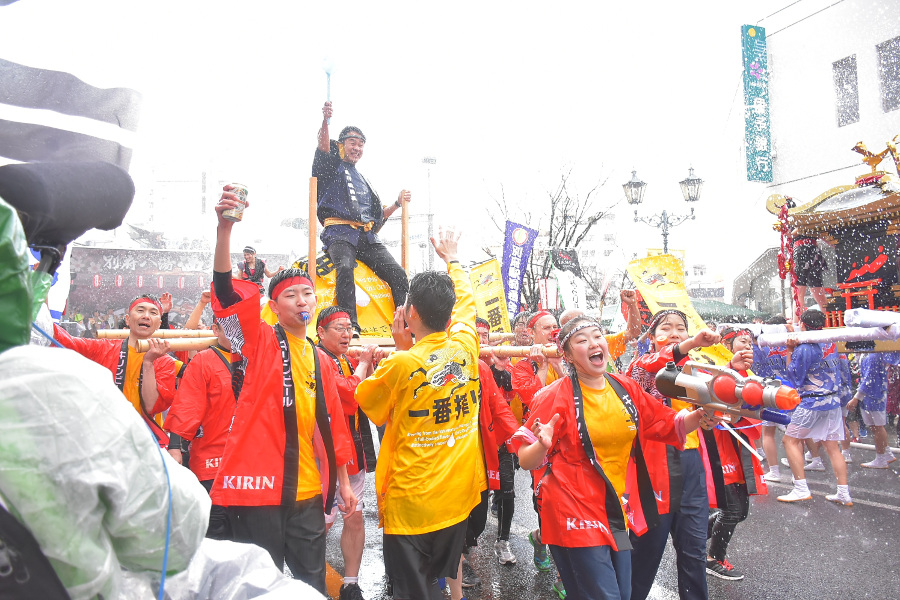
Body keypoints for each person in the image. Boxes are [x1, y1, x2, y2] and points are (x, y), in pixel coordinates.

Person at [210, 187, 357, 594]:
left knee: (311, 585)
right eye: (290, 295)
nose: (301, 300)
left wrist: (343, 483)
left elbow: (333, 428)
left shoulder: (321, 359)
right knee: (258, 588)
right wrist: (224, 231)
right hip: (255, 491)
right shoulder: (258, 340)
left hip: (307, 492)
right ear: (274, 308)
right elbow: (224, 295)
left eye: (307, 293)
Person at [512, 316, 713, 600]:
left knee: (621, 591)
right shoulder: (553, 396)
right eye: (582, 341)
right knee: (605, 595)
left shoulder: (624, 387)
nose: (594, 343)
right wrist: (542, 446)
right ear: (567, 355)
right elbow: (525, 459)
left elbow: (665, 424)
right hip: (572, 508)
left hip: (616, 507)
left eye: (598, 336)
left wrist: (702, 415)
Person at [354, 228, 486, 600]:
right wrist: (453, 260)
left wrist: (391, 355)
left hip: (411, 506)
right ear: (447, 315)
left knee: (413, 592)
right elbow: (468, 305)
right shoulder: (465, 345)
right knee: (441, 580)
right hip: (456, 497)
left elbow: (367, 402)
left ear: (410, 312)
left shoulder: (401, 363)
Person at [625, 309, 722, 600]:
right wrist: (690, 343)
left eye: (681, 328)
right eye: (665, 328)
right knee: (644, 556)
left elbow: (713, 407)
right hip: (653, 468)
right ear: (652, 338)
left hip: (691, 467)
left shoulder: (694, 372)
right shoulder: (640, 367)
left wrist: (711, 415)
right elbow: (656, 365)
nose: (675, 333)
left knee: (694, 553)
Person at [313, 101, 411, 336]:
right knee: (345, 267)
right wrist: (325, 121)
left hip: (365, 236)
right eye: (352, 142)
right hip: (339, 234)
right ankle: (350, 324)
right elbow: (323, 147)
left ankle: (405, 323)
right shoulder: (329, 167)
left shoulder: (364, 180)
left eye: (361, 144)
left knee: (398, 274)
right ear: (341, 144)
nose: (357, 148)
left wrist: (397, 204)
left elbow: (376, 221)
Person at [315, 305, 379, 600]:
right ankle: (309, 579)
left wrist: (370, 365)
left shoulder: (341, 359)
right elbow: (352, 394)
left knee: (354, 517)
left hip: (354, 449)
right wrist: (364, 364)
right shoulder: (318, 359)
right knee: (320, 522)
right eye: (338, 327)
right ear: (320, 333)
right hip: (324, 453)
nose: (347, 333)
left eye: (348, 327)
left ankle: (351, 582)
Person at [53, 293, 177, 446]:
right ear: (127, 319)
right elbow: (67, 342)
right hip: (104, 439)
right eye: (140, 310)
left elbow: (151, 405)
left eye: (153, 313)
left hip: (144, 443)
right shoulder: (103, 348)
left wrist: (148, 363)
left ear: (158, 324)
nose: (146, 316)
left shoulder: (166, 362)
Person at [163, 317, 236, 540]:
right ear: (216, 329)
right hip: (212, 459)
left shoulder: (258, 357)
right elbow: (187, 405)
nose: (238, 334)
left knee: (246, 534)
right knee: (214, 533)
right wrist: (175, 447)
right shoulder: (204, 361)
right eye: (231, 329)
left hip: (249, 462)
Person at [705, 328, 767, 581]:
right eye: (742, 341)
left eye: (750, 343)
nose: (748, 347)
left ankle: (691, 536)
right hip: (721, 447)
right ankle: (713, 558)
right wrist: (732, 368)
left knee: (739, 512)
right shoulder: (714, 367)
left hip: (740, 448)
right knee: (731, 510)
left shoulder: (749, 373)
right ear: (727, 344)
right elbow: (711, 395)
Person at [777, 310, 852, 506]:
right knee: (832, 447)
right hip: (832, 401)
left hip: (812, 402)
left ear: (802, 324)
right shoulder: (829, 341)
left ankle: (801, 488)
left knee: (790, 441)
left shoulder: (805, 348)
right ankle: (844, 493)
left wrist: (790, 350)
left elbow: (794, 377)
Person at [847, 351, 900, 469]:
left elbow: (869, 379)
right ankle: (886, 454)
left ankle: (881, 458)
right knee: (876, 427)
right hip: (874, 395)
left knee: (877, 427)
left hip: (874, 396)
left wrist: (856, 398)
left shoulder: (873, 355)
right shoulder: (871, 354)